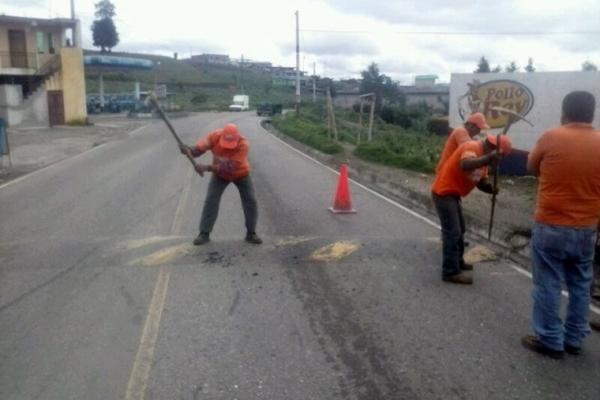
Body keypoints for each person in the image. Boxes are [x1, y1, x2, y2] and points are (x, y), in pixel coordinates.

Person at [521, 91, 600, 359]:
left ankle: (550, 340)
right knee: (580, 284)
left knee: (548, 283)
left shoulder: (551, 137)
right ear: (592, 113)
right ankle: (574, 338)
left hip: (551, 224)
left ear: (564, 112)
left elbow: (531, 167)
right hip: (587, 227)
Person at [431, 134, 512, 284]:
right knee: (453, 232)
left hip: (453, 194)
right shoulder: (472, 147)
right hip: (444, 192)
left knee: (460, 229)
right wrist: (488, 158)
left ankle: (458, 262)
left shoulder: (485, 160)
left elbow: (481, 181)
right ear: (496, 151)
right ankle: (449, 272)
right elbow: (465, 164)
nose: (500, 161)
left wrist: (490, 189)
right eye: (501, 157)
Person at [180, 123, 262, 245]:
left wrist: (207, 167)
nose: (228, 147)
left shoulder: (243, 144)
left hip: (241, 174)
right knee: (211, 200)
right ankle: (204, 233)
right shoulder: (214, 136)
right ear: (222, 135)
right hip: (220, 176)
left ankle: (251, 233)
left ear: (237, 137)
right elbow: (199, 149)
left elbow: (230, 167)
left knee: (250, 201)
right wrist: (189, 150)